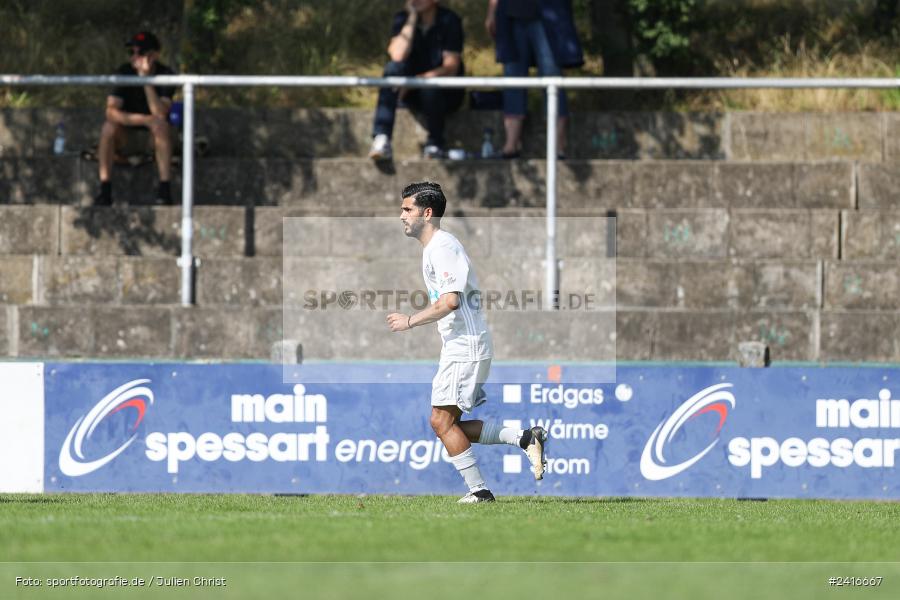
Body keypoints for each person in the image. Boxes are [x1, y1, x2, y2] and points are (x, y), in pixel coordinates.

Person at [386, 181, 547, 503]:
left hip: (466, 347)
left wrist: (409, 321)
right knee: (451, 423)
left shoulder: (442, 247)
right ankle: (526, 438)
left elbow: (450, 302)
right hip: (461, 346)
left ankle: (480, 492)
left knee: (440, 420)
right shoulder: (434, 248)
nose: (401, 215)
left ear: (427, 213)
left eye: (407, 209)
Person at [485, 0, 584, 158]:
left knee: (551, 77)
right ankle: (511, 145)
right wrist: (492, 11)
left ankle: (558, 147)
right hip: (510, 15)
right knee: (512, 79)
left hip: (548, 12)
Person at [369, 0, 465, 161]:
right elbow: (397, 56)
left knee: (430, 86)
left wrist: (415, 82)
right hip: (409, 94)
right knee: (392, 70)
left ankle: (435, 144)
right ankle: (382, 137)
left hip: (443, 94)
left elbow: (451, 67)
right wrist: (411, 19)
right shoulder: (402, 19)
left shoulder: (450, 20)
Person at [95, 31, 176, 206]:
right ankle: (105, 191)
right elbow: (110, 112)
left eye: (139, 53)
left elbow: (160, 113)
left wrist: (145, 80)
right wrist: (144, 120)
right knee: (108, 128)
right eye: (131, 52)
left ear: (153, 55)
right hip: (127, 135)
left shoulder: (166, 74)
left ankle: (164, 190)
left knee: (161, 126)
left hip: (153, 138)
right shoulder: (123, 72)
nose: (134, 57)